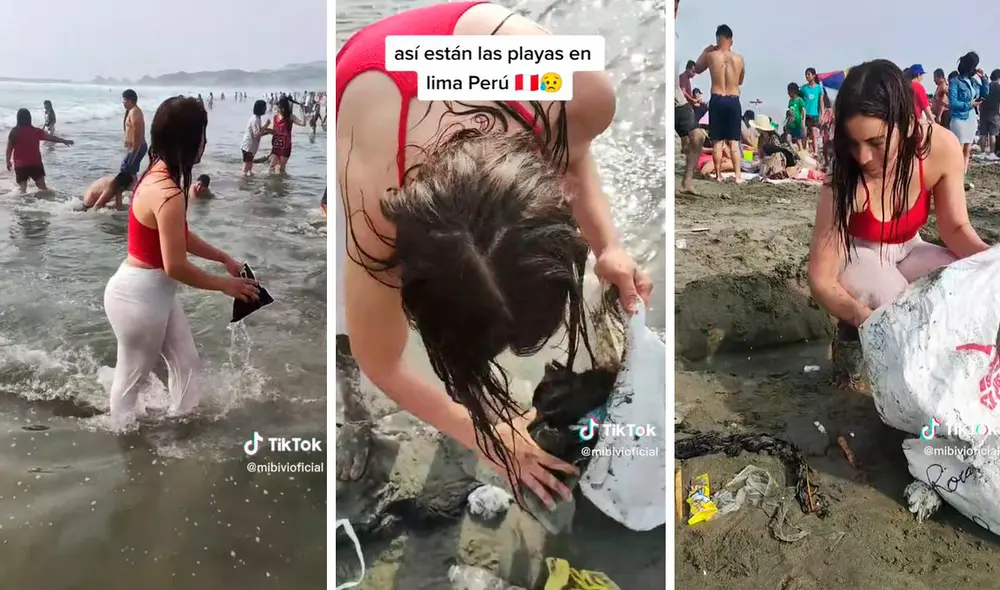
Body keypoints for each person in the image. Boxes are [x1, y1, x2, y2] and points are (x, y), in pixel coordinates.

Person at [337, 1, 652, 507]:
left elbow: (572, 151)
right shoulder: (375, 212)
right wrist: (486, 435)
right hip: (365, 87)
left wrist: (608, 247)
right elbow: (380, 361)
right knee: (353, 326)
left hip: (478, 54)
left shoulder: (578, 91)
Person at [807, 60, 989, 382]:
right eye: (853, 143)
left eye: (876, 143)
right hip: (858, 253)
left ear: (907, 124)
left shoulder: (940, 148)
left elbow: (956, 229)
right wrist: (862, 318)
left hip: (910, 246)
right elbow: (821, 278)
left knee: (960, 288)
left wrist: (989, 263)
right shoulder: (843, 181)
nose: (863, 157)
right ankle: (851, 348)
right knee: (898, 310)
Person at [102, 96, 259, 421]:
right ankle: (119, 440)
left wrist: (223, 258)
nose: (205, 142)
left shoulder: (156, 173)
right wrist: (224, 285)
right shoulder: (169, 192)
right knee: (130, 384)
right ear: (188, 141)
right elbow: (174, 265)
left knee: (187, 366)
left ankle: (181, 433)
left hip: (153, 292)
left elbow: (179, 237)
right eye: (202, 134)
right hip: (139, 298)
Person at [695, 24, 745, 183]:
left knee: (717, 141)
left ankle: (718, 176)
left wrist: (705, 50)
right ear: (731, 39)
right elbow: (740, 81)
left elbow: (697, 68)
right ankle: (738, 176)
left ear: (718, 38)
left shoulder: (711, 55)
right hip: (733, 99)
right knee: (734, 142)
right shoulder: (739, 58)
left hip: (717, 99)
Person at [675, 2, 706, 196]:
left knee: (698, 136)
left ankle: (687, 182)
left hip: (675, 97)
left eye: (674, 7)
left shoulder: (675, 36)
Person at [5, 108, 73, 192]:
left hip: (20, 164)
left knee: (22, 189)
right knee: (42, 187)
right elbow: (51, 138)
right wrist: (63, 140)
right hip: (35, 163)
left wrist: (8, 161)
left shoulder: (14, 132)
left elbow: (9, 149)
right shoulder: (35, 131)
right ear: (29, 118)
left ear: (18, 118)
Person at [948, 52, 988, 183]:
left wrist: (984, 78)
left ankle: (962, 178)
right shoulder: (955, 82)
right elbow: (953, 103)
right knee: (958, 150)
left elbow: (984, 93)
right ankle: (954, 177)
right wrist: (969, 104)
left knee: (967, 150)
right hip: (959, 118)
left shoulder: (973, 81)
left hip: (971, 118)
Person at [268, 96, 305, 175]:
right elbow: (274, 132)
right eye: (279, 107)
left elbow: (303, 123)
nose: (281, 110)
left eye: (283, 108)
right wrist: (265, 130)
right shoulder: (275, 117)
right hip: (276, 146)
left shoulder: (290, 117)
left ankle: (284, 182)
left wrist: (302, 110)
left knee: (281, 169)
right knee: (271, 166)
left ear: (286, 108)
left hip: (285, 147)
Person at [240, 99, 272, 176]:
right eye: (264, 107)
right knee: (247, 165)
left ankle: (248, 179)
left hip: (251, 146)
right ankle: (243, 179)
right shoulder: (255, 119)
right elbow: (257, 135)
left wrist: (268, 132)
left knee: (250, 165)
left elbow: (259, 132)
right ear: (260, 108)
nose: (265, 109)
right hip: (248, 146)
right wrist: (266, 125)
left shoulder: (258, 118)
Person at [121, 89, 148, 178]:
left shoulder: (134, 111)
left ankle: (135, 185)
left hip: (138, 146)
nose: (123, 102)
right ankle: (134, 185)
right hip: (135, 147)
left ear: (130, 100)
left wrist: (134, 148)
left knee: (128, 169)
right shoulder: (131, 111)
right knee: (127, 169)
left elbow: (137, 131)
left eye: (124, 99)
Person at [802, 68, 825, 155]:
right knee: (804, 134)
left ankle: (815, 153)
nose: (807, 76)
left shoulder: (819, 88)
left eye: (809, 74)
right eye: (806, 74)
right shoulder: (803, 88)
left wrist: (822, 115)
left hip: (814, 114)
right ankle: (803, 152)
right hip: (805, 114)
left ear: (814, 76)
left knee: (814, 134)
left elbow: (821, 102)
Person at [979, 69, 1000, 159]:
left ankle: (982, 152)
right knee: (993, 134)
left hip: (984, 113)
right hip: (994, 113)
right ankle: (992, 153)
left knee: (983, 133)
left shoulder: (986, 86)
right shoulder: (999, 87)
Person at [786, 82, 807, 149]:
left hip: (797, 123)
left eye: (789, 91)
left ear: (794, 91)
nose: (788, 93)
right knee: (788, 139)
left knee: (798, 140)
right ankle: (795, 152)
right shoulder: (790, 101)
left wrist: (803, 121)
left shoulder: (799, 100)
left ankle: (801, 151)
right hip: (790, 124)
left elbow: (803, 111)